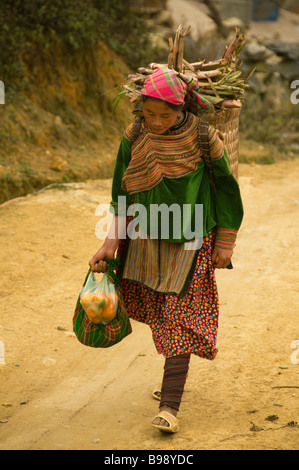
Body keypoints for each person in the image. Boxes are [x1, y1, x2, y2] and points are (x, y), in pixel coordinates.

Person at [89, 68, 243, 433]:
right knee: (161, 310)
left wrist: (225, 240)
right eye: (149, 113)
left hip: (191, 241)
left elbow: (227, 188)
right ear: (140, 109)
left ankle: (169, 407)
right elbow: (120, 192)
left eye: (165, 115)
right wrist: (112, 240)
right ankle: (174, 375)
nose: (156, 122)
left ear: (182, 109)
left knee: (178, 316)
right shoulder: (134, 135)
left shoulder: (205, 137)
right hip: (145, 239)